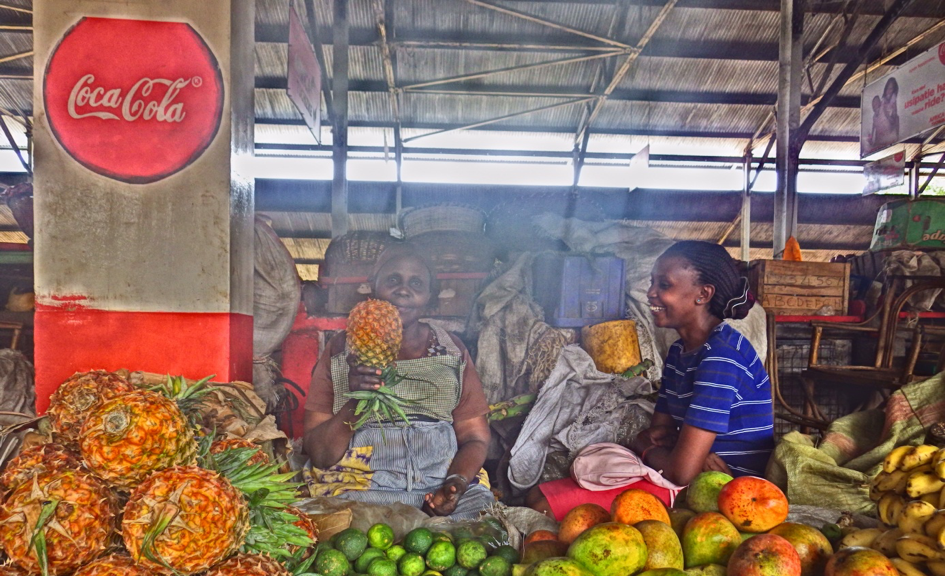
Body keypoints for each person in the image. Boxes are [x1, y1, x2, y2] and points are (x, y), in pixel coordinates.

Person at [528, 240, 774, 518]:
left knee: (543, 508)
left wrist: (648, 448)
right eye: (651, 282)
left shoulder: (721, 357)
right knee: (537, 492)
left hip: (725, 490)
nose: (650, 293)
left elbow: (679, 471)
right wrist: (668, 450)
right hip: (685, 476)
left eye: (664, 285)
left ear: (703, 294)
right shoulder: (681, 352)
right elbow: (659, 431)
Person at [303, 244, 494, 520]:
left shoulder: (451, 350)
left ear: (430, 296)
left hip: (437, 483)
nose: (403, 290)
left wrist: (456, 484)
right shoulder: (339, 351)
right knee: (330, 528)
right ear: (373, 286)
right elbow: (319, 455)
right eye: (393, 279)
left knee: (484, 528)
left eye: (416, 283)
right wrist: (357, 400)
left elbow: (475, 437)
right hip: (359, 486)